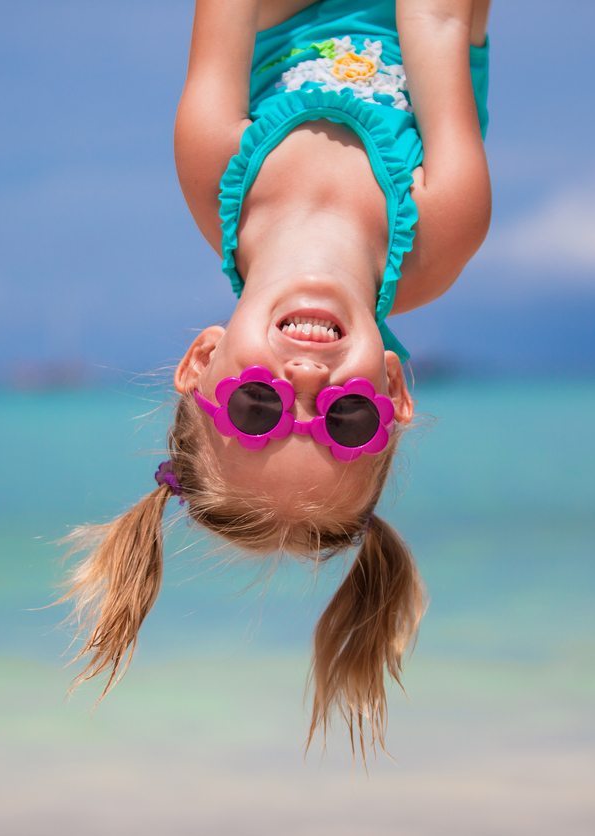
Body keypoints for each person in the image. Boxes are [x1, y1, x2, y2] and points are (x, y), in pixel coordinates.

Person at [57, 0, 491, 759]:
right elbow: (442, 25)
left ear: (201, 362)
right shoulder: (444, 223)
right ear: (392, 391)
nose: (305, 381)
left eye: (257, 407)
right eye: (347, 417)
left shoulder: (212, 165)